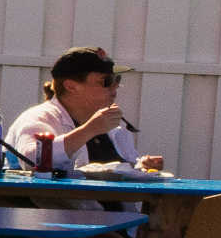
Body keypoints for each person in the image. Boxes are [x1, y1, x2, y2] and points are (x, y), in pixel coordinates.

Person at [9, 50, 165, 176]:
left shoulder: (112, 128)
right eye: (106, 81)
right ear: (71, 86)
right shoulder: (39, 118)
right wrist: (90, 130)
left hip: (110, 213)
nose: (115, 87)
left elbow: (112, 170)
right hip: (58, 213)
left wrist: (140, 166)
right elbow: (30, 160)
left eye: (117, 79)